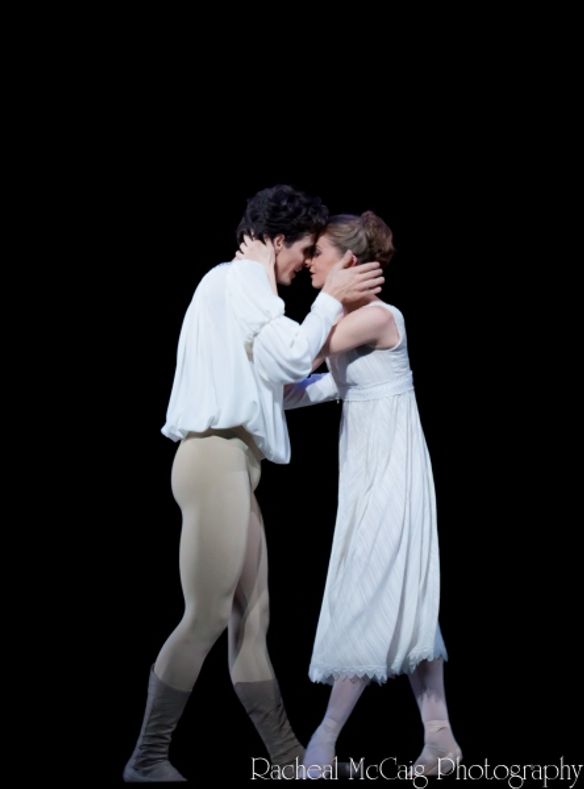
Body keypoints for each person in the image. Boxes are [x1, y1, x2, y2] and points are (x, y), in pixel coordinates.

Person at [123, 186, 385, 782]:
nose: (302, 268)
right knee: (208, 615)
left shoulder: (247, 296)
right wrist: (332, 305)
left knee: (253, 616)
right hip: (215, 456)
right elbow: (295, 357)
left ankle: (291, 763)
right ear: (273, 241)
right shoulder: (239, 281)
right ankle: (148, 757)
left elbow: (283, 385)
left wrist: (347, 382)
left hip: (233, 463)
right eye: (302, 251)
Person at [282, 211, 462, 779]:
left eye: (320, 256)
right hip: (368, 474)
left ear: (349, 265)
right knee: (404, 597)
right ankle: (440, 739)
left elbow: (301, 356)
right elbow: (316, 385)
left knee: (369, 591)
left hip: (392, 474)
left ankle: (324, 740)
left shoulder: (379, 317)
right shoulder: (355, 328)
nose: (310, 263)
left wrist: (277, 373)